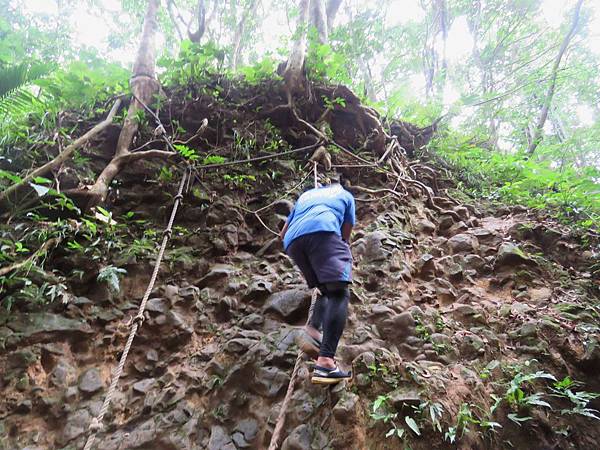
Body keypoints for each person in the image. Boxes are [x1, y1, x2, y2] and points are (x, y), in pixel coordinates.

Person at [279, 174, 355, 384]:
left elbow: (283, 232)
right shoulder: (346, 195)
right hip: (323, 230)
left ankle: (312, 330)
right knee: (339, 292)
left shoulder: (306, 195)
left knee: (323, 288)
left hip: (292, 242)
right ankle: (325, 363)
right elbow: (344, 235)